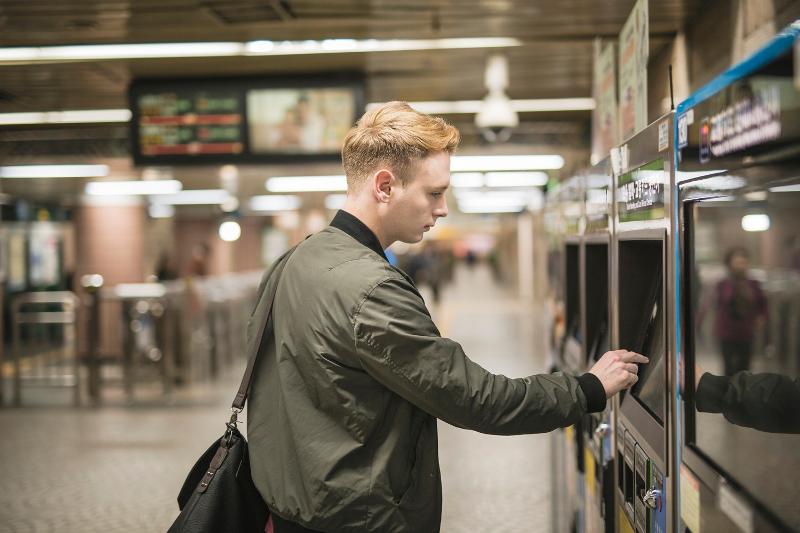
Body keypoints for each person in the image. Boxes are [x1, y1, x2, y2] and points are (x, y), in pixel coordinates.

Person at [246, 101, 647, 533]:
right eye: (434, 192)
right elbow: (475, 399)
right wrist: (586, 389)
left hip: (291, 509)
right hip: (356, 520)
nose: (442, 209)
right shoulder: (372, 289)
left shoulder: (294, 259)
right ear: (384, 186)